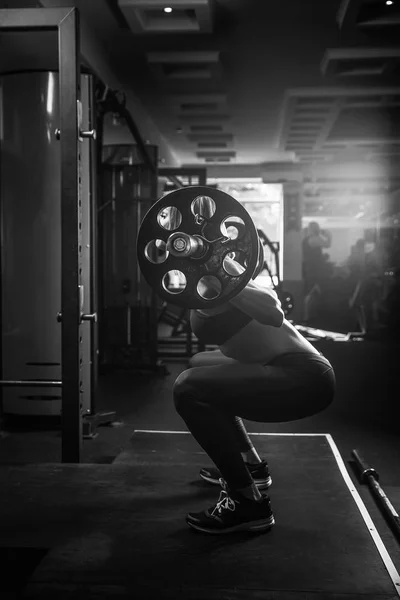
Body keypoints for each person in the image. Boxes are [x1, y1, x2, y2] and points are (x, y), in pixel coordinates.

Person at [173, 255, 336, 535]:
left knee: (188, 387)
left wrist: (221, 274)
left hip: (305, 376)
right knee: (199, 365)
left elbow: (274, 312)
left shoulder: (224, 269)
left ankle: (247, 501)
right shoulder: (195, 280)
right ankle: (252, 467)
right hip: (275, 366)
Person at [302, 222, 332, 323]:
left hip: (310, 269)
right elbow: (328, 244)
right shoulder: (314, 239)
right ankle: (308, 317)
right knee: (312, 293)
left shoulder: (308, 239)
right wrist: (329, 235)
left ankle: (310, 317)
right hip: (315, 270)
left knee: (313, 292)